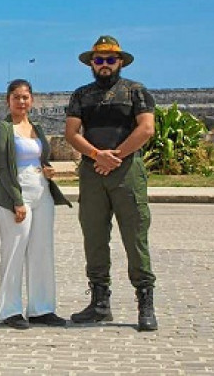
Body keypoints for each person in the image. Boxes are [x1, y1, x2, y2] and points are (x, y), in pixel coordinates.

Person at [65, 35, 158, 332]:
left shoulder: (135, 91)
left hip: (127, 170)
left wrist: (115, 156)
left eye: (110, 60)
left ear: (120, 62)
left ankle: (145, 303)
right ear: (91, 64)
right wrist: (96, 155)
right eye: (99, 60)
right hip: (92, 173)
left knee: (135, 236)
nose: (104, 65)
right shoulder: (81, 95)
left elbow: (146, 128)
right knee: (94, 237)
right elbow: (71, 133)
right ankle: (100, 303)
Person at [0, 79, 71, 329]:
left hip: (42, 193)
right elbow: (3, 168)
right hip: (16, 194)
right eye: (16, 97)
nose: (21, 101)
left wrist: (48, 170)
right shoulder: (3, 128)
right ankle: (9, 310)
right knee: (14, 250)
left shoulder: (35, 127)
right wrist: (17, 200)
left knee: (42, 251)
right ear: (8, 100)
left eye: (25, 97)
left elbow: (40, 157)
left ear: (32, 100)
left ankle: (42, 308)